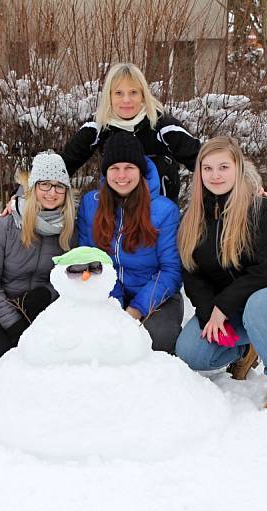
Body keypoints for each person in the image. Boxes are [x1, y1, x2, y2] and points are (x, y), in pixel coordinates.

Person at [174, 137, 267, 419]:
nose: (215, 175)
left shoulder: (262, 210)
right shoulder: (192, 218)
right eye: (207, 168)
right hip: (231, 310)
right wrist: (209, 311)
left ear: (237, 167)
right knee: (189, 352)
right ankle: (246, 349)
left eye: (223, 166)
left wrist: (222, 307)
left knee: (259, 305)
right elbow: (192, 274)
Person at [76, 131, 183, 353]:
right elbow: (91, 258)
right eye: (114, 168)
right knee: (93, 340)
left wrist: (135, 309)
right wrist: (115, 304)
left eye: (129, 168)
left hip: (155, 296)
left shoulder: (164, 210)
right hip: (107, 293)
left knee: (156, 340)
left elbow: (171, 270)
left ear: (141, 171)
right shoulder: (90, 204)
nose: (121, 175)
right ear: (106, 172)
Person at [0, 151, 76, 368]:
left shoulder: (69, 230)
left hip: (45, 308)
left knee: (53, 356)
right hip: (3, 306)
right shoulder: (4, 227)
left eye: (59, 186)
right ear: (33, 188)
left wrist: (47, 293)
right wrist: (13, 323)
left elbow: (72, 278)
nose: (52, 192)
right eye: (45, 184)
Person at [62, 62, 201, 203]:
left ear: (143, 94)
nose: (126, 100)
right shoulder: (98, 126)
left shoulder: (162, 125)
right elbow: (63, 165)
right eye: (118, 93)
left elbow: (203, 162)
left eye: (133, 92)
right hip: (114, 214)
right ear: (109, 96)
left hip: (160, 216)